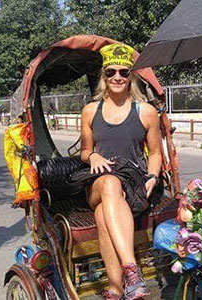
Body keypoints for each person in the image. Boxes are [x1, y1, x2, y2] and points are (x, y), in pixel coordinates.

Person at [78, 44, 162, 300]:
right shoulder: (91, 111)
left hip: (133, 183)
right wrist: (92, 156)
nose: (117, 77)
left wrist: (152, 177)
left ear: (131, 76)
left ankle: (115, 287)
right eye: (111, 72)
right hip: (97, 182)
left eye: (123, 72)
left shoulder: (146, 112)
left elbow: (156, 153)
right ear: (104, 76)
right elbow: (84, 151)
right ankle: (132, 271)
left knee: (105, 214)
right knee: (110, 183)